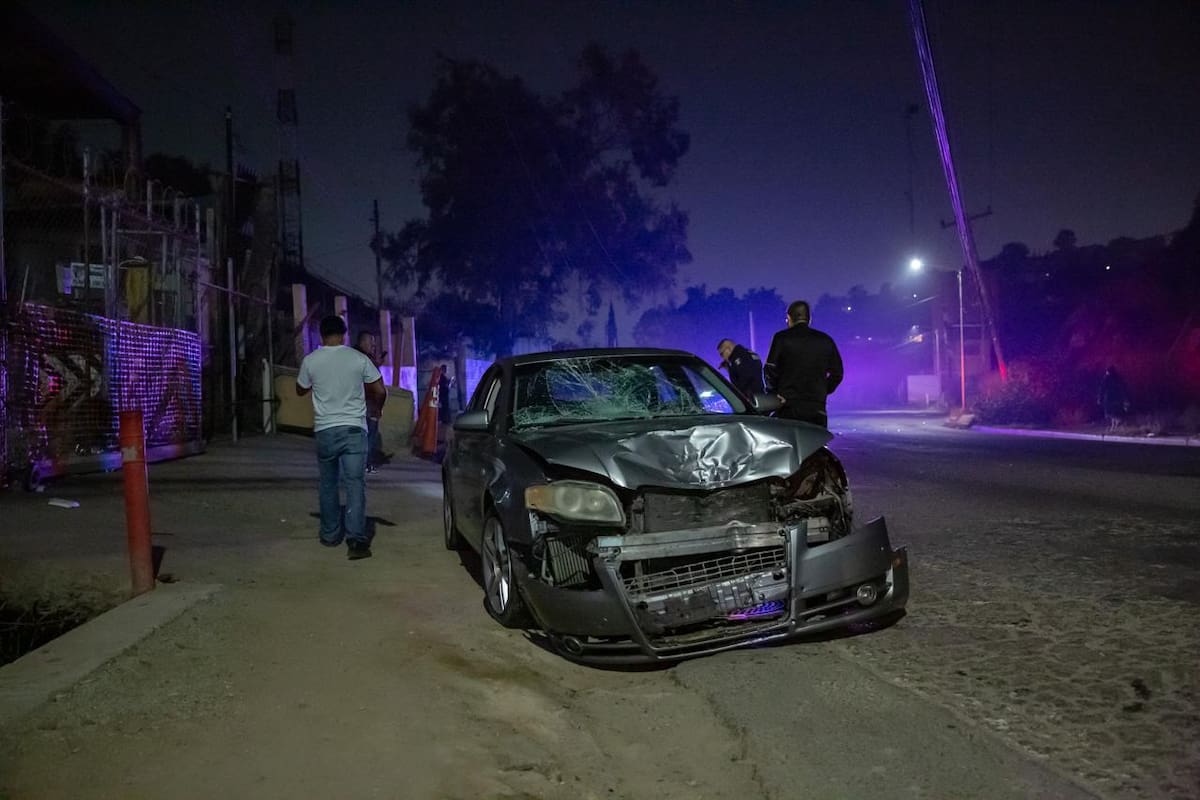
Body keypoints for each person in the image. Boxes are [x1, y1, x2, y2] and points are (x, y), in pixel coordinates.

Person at [297, 315, 386, 560]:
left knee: (328, 484)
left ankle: (329, 535)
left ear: (321, 334)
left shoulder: (311, 360)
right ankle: (356, 541)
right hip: (354, 430)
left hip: (325, 430)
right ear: (344, 334)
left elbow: (300, 388)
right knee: (355, 484)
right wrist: (378, 408)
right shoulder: (358, 358)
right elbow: (380, 389)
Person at [764, 300, 844, 427]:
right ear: (809, 319)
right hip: (816, 404)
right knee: (816, 443)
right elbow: (838, 373)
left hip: (788, 405)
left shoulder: (781, 338)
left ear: (789, 318)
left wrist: (774, 393)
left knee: (790, 443)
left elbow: (769, 368)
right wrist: (823, 389)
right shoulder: (825, 340)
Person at [354, 331, 386, 471]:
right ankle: (366, 464)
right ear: (362, 342)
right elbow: (376, 387)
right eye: (370, 342)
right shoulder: (365, 360)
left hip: (356, 403)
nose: (373, 345)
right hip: (368, 403)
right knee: (369, 435)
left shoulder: (355, 357)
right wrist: (378, 406)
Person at [1098, 365, 1130, 431]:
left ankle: (1116, 423)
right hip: (1117, 398)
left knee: (1110, 412)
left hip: (1109, 398)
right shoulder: (1118, 378)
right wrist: (1124, 398)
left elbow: (1102, 389)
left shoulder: (1106, 378)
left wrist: (1099, 398)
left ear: (1108, 371)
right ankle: (1114, 426)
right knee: (1115, 412)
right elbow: (1123, 388)